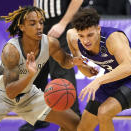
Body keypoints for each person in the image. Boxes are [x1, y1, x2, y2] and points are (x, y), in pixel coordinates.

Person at [0, 6, 82, 131]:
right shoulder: (11, 50)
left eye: (41, 22)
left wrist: (74, 60)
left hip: (28, 93)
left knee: (75, 124)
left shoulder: (51, 43)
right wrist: (30, 75)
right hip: (2, 94)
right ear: (22, 27)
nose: (39, 26)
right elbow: (10, 92)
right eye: (33, 23)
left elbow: (64, 61)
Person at [66, 8, 131, 131]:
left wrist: (98, 80)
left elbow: (129, 67)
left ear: (98, 29)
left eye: (90, 35)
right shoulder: (72, 37)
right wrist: (82, 65)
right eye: (81, 36)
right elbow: (86, 73)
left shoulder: (113, 38)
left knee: (104, 112)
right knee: (83, 128)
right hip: (114, 77)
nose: (86, 41)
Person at [19, 0, 83, 130]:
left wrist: (63, 23)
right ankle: (38, 117)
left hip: (60, 22)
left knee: (61, 72)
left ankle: (73, 118)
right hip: (42, 23)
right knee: (36, 72)